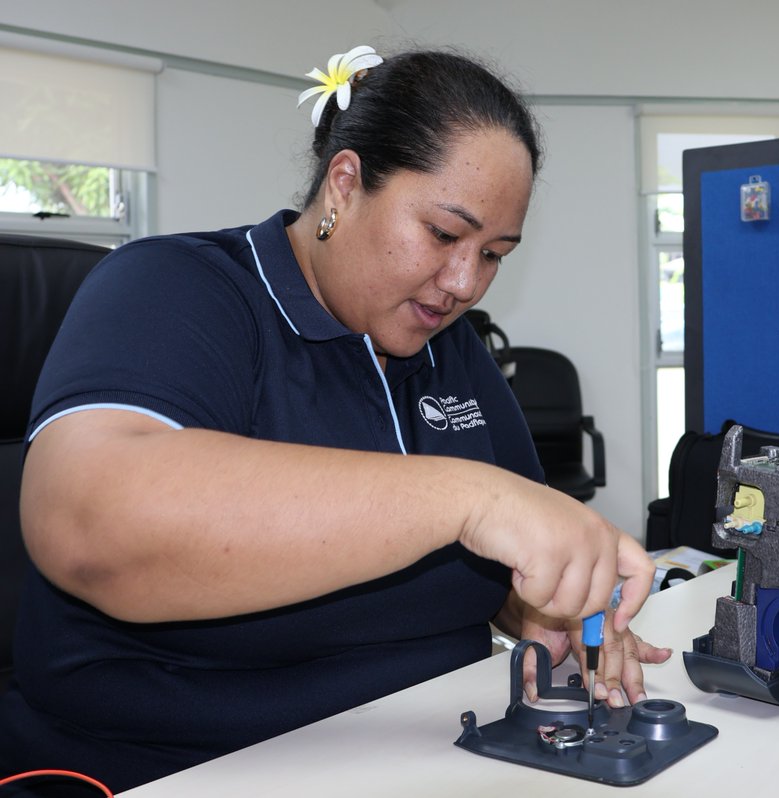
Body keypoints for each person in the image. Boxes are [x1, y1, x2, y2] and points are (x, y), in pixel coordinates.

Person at [0, 46, 667, 793]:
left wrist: (546, 608)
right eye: (446, 235)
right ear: (345, 185)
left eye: (494, 255)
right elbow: (90, 525)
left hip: (422, 757)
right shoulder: (176, 289)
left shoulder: (448, 348)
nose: (464, 283)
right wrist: (470, 498)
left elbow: (493, 563)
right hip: (164, 771)